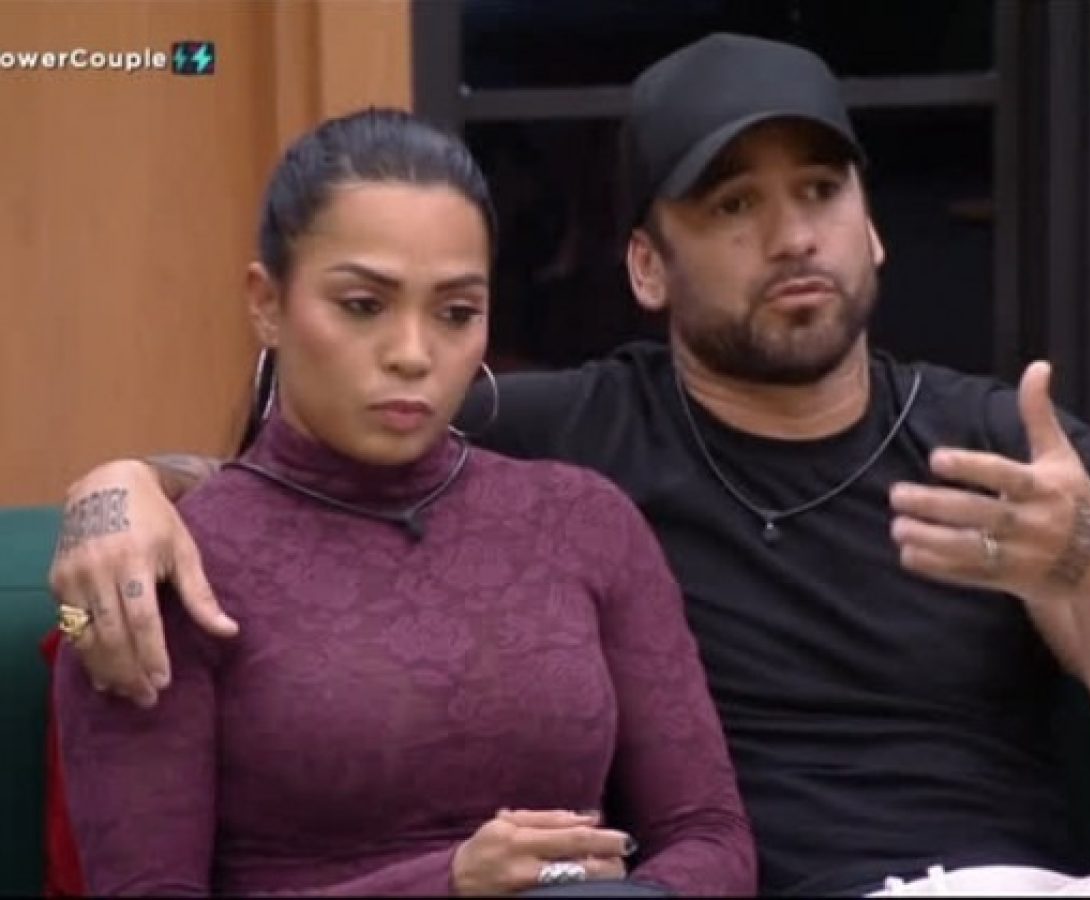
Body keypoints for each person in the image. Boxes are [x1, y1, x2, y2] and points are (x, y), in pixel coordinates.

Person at [49, 33, 1090, 896]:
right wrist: (116, 489)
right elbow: (313, 471)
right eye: (735, 204)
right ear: (646, 267)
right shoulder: (574, 434)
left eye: (820, 191)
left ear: (873, 224)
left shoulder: (1006, 444)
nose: (792, 235)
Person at [50, 107, 756, 897]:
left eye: (456, 313)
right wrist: (449, 884)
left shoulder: (585, 522)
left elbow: (712, 837)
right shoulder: (154, 567)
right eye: (363, 305)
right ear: (267, 304)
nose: (414, 354)